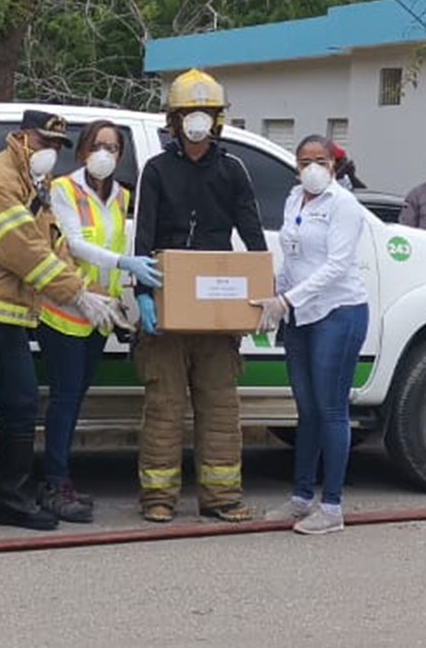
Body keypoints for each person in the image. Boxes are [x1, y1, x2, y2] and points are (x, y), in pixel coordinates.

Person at [0, 109, 123, 541]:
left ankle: (9, 499)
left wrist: (86, 291)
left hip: (4, 309)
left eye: (57, 146)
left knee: (22, 404)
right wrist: (76, 295)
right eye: (44, 142)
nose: (50, 152)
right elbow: (22, 250)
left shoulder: (33, 184)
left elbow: (53, 245)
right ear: (21, 137)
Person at [132, 68, 267, 524]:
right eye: (189, 112)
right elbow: (143, 238)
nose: (197, 121)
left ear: (217, 119)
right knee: (163, 409)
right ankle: (158, 497)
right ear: (173, 120)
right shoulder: (156, 170)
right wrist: (144, 295)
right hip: (167, 312)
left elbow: (252, 234)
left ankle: (221, 497)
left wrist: (261, 295)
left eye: (205, 112)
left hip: (217, 316)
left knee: (221, 407)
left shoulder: (232, 170)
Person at [36, 120, 161, 523]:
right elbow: (73, 243)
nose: (104, 154)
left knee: (75, 400)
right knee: (65, 397)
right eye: (96, 145)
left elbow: (115, 241)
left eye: (112, 147)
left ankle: (61, 478)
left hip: (99, 315)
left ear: (120, 156)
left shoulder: (122, 196)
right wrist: (124, 262)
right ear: (82, 151)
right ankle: (54, 482)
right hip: (64, 310)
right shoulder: (63, 189)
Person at [251, 135, 369, 535]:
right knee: (307, 409)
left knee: (331, 408)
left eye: (321, 160)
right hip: (300, 315)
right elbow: (292, 257)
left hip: (338, 312)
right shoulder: (293, 199)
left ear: (334, 165)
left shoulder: (344, 205)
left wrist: (287, 300)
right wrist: (275, 295)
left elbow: (336, 266)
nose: (312, 168)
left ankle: (332, 506)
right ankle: (301, 497)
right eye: (304, 161)